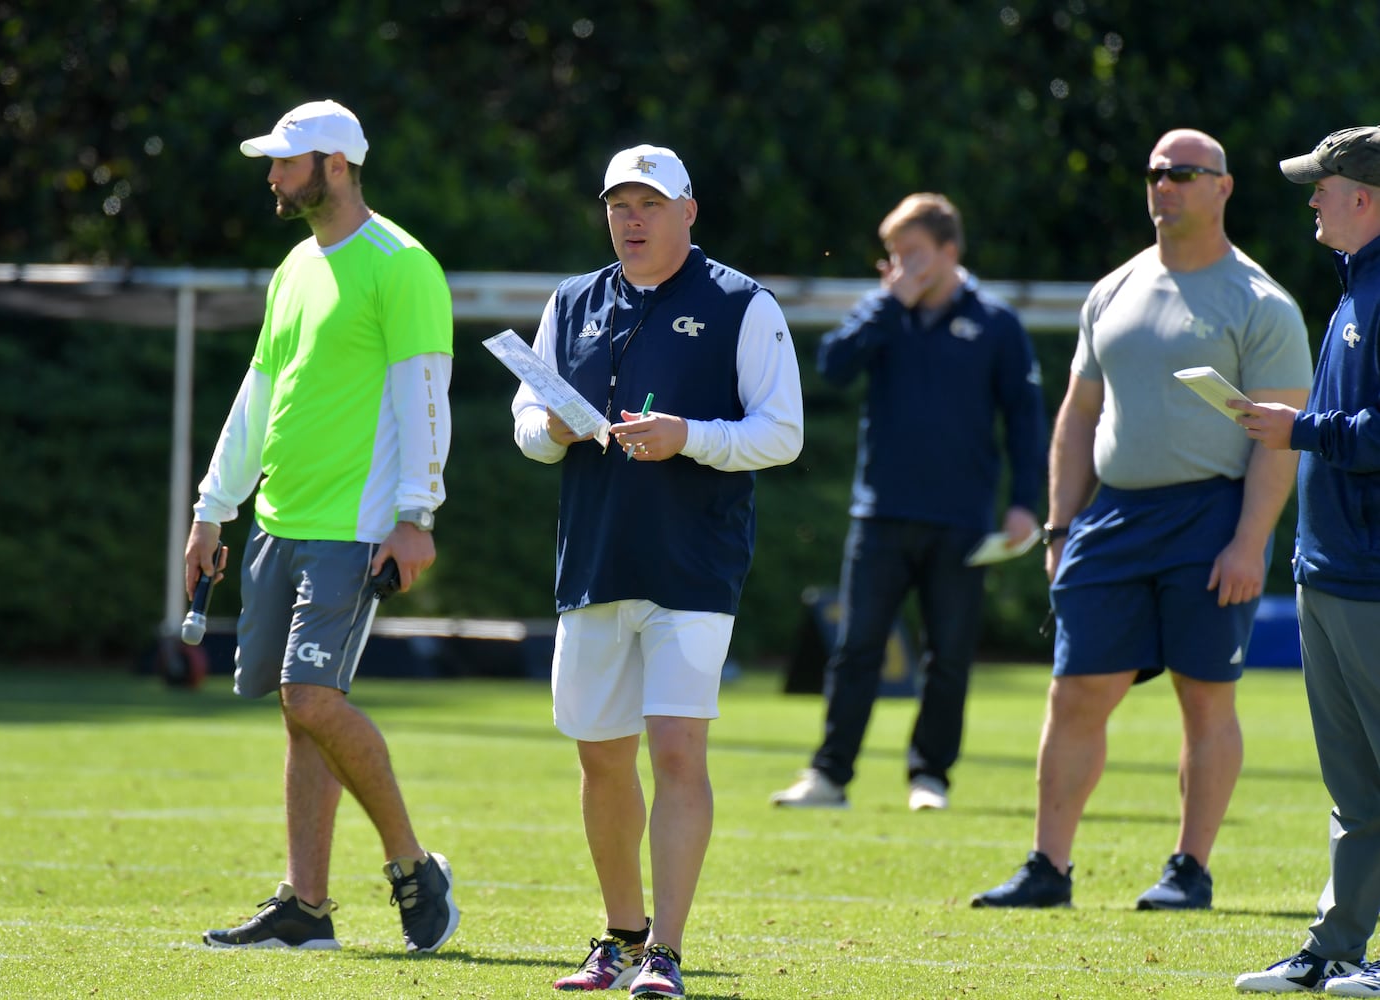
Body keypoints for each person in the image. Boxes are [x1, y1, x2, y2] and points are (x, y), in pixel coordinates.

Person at [971, 128, 1312, 911]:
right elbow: (1077, 412)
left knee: (1204, 695)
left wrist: (1247, 541)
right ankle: (1047, 868)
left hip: (1208, 512)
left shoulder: (1260, 303)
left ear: (1221, 188)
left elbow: (1279, 438)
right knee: (1075, 691)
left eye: (1184, 174)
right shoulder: (1113, 289)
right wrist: (1061, 526)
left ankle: (1188, 869)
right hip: (1112, 516)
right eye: (1156, 173)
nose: (1165, 186)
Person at [511, 144, 803, 998]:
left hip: (693, 564)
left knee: (675, 746)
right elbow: (528, 414)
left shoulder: (742, 303)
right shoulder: (572, 301)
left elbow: (780, 433)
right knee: (601, 758)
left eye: (647, 203)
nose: (630, 219)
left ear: (687, 211)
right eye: (617, 205)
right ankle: (619, 935)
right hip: (594, 560)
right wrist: (549, 432)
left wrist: (691, 437)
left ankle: (665, 955)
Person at [185, 99, 459, 954]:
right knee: (297, 711)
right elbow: (259, 392)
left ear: (333, 166)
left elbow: (425, 396)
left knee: (312, 697)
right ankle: (305, 908)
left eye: (284, 162)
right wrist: (211, 507)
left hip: (355, 527)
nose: (271, 176)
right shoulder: (295, 266)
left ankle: (413, 863)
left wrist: (416, 516)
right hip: (276, 520)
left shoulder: (403, 264)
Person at [768, 193, 1046, 814]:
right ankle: (829, 775)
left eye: (911, 254)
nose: (898, 268)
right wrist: (890, 305)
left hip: (963, 519)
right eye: (891, 256)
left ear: (950, 252)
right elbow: (832, 368)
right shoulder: (881, 312)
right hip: (880, 513)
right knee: (856, 648)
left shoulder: (997, 324)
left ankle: (931, 777)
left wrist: (1025, 503)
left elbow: (1026, 423)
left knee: (948, 655)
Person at [1231, 127, 1380, 994]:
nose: (1311, 200)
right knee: (1351, 785)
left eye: (1321, 186)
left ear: (1364, 195)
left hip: (1368, 571)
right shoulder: (1351, 287)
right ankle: (1335, 949)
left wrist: (1299, 431)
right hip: (1328, 567)